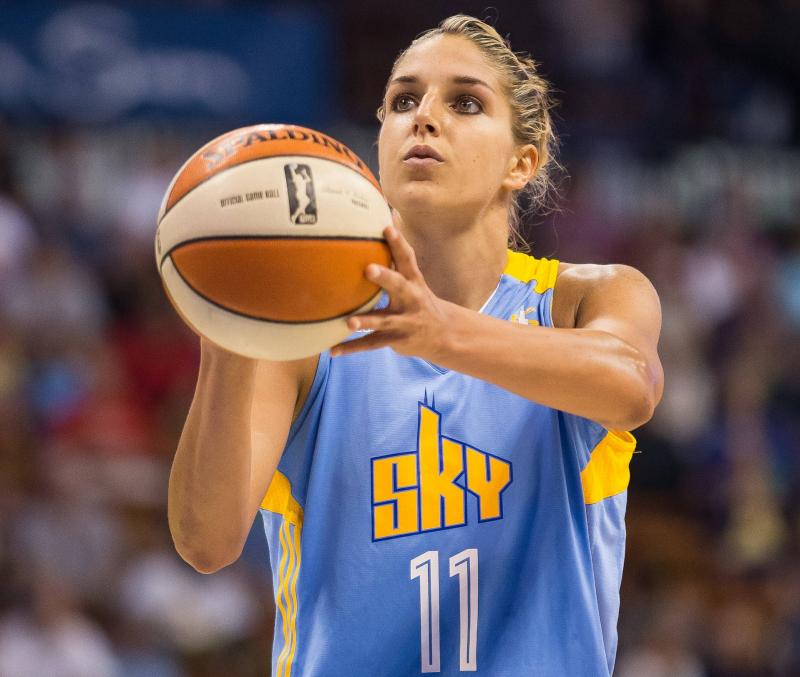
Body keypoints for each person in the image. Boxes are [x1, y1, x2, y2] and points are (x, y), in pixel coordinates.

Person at [168, 14, 663, 677]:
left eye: (465, 102)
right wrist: (229, 326)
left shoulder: (582, 299)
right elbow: (205, 541)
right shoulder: (306, 334)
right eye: (403, 100)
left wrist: (442, 332)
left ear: (522, 161)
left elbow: (633, 386)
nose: (423, 117)